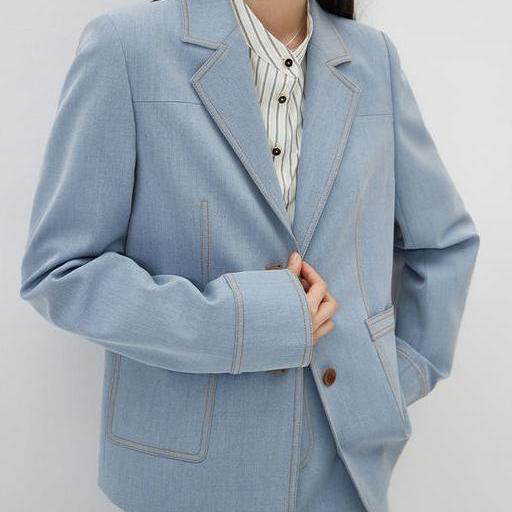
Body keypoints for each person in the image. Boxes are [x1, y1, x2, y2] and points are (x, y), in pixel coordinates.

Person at [19, 0, 480, 511]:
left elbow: (445, 245)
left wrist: (389, 381)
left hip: (343, 474)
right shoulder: (125, 47)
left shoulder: (374, 60)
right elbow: (62, 272)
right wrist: (246, 322)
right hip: (186, 480)